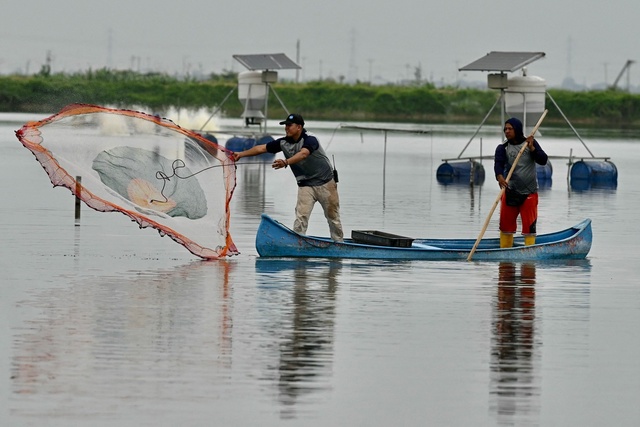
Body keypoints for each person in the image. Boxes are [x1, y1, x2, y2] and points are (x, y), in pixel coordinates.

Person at [232, 113, 344, 242]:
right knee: (301, 217)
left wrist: (285, 162)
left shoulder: (310, 139)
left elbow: (303, 154)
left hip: (326, 183)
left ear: (299, 127)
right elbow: (261, 148)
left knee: (333, 217)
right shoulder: (283, 142)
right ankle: (297, 243)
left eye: (289, 125)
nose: (286, 128)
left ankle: (338, 244)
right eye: (285, 125)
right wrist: (241, 154)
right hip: (305, 185)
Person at [494, 117, 548, 248]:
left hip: (529, 193)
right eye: (505, 129)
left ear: (517, 130)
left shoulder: (530, 143)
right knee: (506, 226)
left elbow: (543, 160)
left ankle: (529, 253)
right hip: (510, 191)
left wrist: (532, 148)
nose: (507, 131)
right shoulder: (503, 148)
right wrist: (499, 177)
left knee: (529, 227)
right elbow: (498, 164)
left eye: (510, 129)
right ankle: (505, 254)